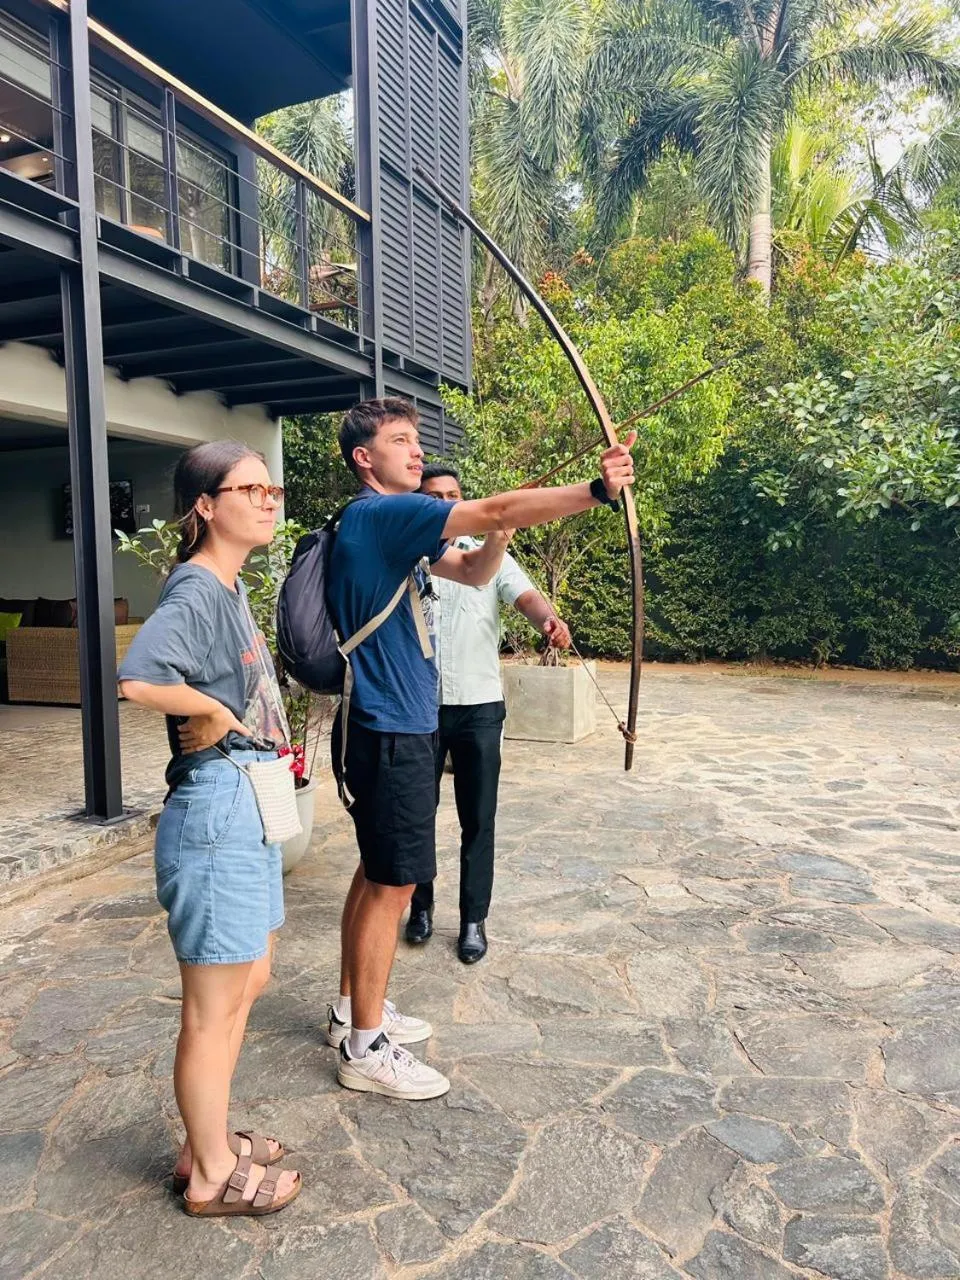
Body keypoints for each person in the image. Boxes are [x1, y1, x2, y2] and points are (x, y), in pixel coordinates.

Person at [323, 396, 635, 1102]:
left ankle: (352, 1009)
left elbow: (472, 570)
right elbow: (492, 510)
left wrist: (502, 527)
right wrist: (596, 490)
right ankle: (365, 1047)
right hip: (393, 723)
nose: (415, 451)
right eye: (400, 441)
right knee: (394, 886)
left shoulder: (380, 524)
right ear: (364, 459)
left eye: (416, 440)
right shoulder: (382, 515)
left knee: (376, 874)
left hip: (388, 720)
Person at [118, 441, 301, 1218]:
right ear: (205, 505)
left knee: (248, 979)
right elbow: (138, 679)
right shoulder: (197, 586)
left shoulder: (227, 585)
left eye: (270, 488)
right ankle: (209, 1175)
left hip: (246, 799)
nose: (267, 500)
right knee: (212, 1005)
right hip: (217, 809)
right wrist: (214, 711)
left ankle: (209, 1137)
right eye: (248, 489)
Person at [406, 462, 572, 963]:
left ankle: (473, 919)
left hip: (479, 705)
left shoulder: (491, 553)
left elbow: (526, 596)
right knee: (416, 816)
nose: (444, 503)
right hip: (419, 707)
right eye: (433, 496)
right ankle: (419, 906)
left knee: (479, 819)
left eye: (452, 495)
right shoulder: (406, 554)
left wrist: (548, 620)